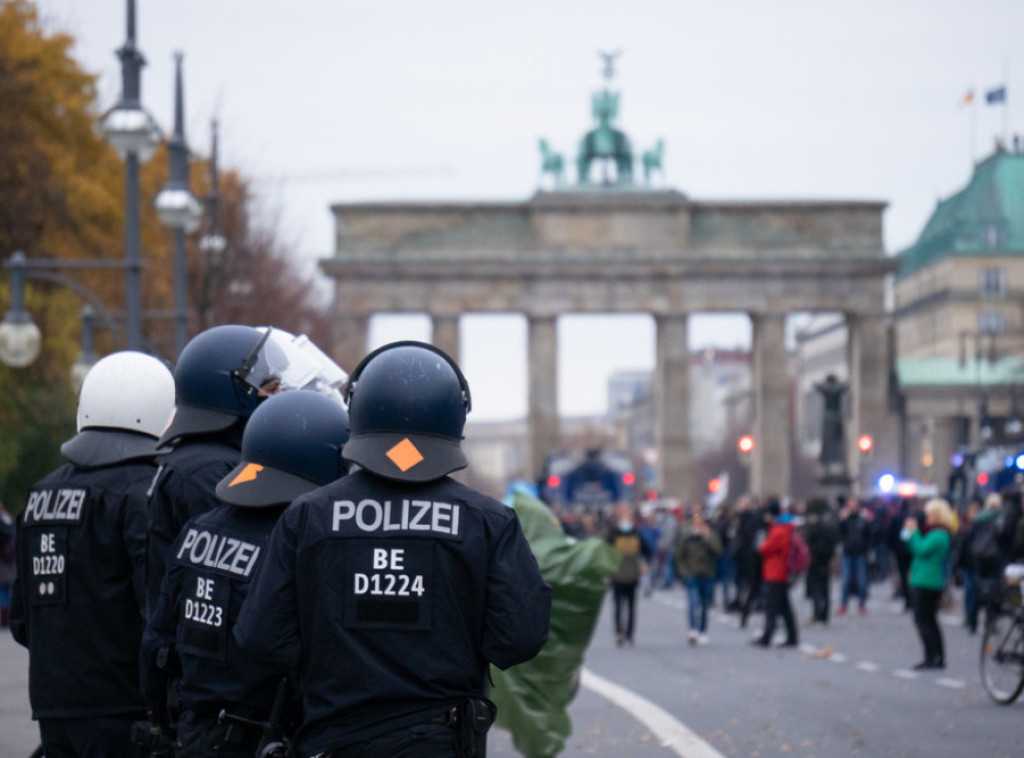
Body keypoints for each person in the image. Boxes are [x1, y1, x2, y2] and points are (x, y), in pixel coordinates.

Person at [234, 341, 551, 758]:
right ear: (456, 415)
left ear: (357, 410)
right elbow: (519, 639)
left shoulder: (307, 516)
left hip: (332, 737)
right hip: (440, 741)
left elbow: (261, 637)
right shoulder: (488, 521)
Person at [141, 390, 351, 757]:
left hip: (193, 735)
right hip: (269, 738)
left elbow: (157, 644)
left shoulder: (195, 532)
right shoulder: (296, 546)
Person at [10, 352, 175, 757]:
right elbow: (156, 608)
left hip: (54, 707)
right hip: (125, 709)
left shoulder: (41, 493)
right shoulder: (143, 491)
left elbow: (21, 620)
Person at [146, 324, 345, 613]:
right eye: (272, 388)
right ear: (233, 391)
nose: (280, 399)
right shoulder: (209, 471)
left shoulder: (203, 459)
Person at [902, 498, 953, 670]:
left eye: (930, 514)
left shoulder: (939, 535)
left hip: (926, 581)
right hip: (924, 579)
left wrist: (914, 532)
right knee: (929, 620)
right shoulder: (933, 533)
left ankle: (932, 656)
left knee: (923, 620)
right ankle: (936, 656)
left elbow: (920, 549)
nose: (927, 517)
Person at [752, 499, 799, 648]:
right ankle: (792, 636)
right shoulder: (785, 528)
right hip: (780, 572)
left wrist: (761, 545)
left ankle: (767, 636)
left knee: (772, 608)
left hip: (775, 572)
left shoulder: (779, 530)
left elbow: (764, 549)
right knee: (785, 608)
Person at [675, 509, 722, 644]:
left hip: (707, 574)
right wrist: (683, 572)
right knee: (693, 602)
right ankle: (692, 630)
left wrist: (707, 537)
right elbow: (679, 555)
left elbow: (718, 550)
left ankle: (702, 630)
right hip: (691, 574)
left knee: (704, 605)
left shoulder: (710, 534)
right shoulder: (687, 536)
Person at [607, 502, 650, 646]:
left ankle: (630, 634)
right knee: (618, 606)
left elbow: (647, 550)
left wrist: (644, 564)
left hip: (633, 574)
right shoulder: (613, 535)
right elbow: (605, 552)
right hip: (617, 574)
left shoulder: (637, 534)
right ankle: (619, 632)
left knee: (631, 607)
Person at [803, 497, 838, 626]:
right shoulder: (830, 521)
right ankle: (824, 615)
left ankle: (818, 614)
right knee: (825, 588)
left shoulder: (813, 523)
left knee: (817, 588)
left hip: (815, 558)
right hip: (826, 558)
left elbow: (809, 540)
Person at [837, 497, 870, 615]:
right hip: (847, 553)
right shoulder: (845, 520)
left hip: (860, 553)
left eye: (854, 504)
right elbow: (839, 534)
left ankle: (862, 604)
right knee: (845, 581)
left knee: (862, 581)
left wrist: (867, 550)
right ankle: (843, 605)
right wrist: (842, 520)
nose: (852, 507)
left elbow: (868, 535)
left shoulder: (862, 520)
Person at [0, 500, 15, 628]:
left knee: (3, 591)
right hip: (10, 559)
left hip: (2, 561)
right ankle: (9, 615)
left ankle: (5, 617)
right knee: (8, 589)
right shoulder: (8, 519)